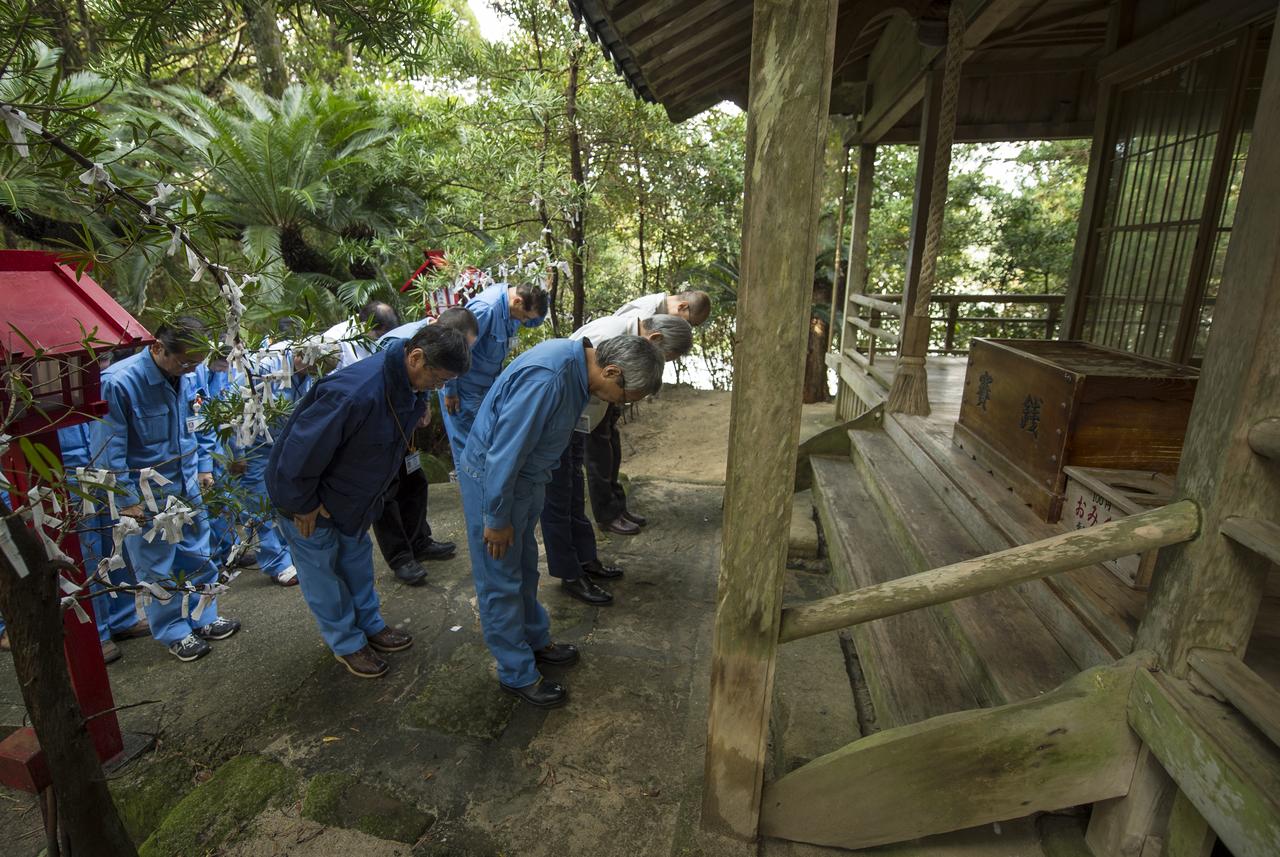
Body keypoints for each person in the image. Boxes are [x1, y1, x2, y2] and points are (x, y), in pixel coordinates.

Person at [458, 334, 665, 708]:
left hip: (527, 479)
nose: (619, 404)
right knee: (499, 578)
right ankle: (515, 671)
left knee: (523, 567)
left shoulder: (578, 370)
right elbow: (504, 453)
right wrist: (497, 516)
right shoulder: (549, 377)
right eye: (624, 396)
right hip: (497, 484)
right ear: (612, 370)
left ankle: (534, 640)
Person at [266, 325, 470, 678]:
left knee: (357, 564)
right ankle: (346, 642)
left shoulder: (406, 386)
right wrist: (301, 503)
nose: (438, 388)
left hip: (355, 500)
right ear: (416, 356)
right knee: (323, 576)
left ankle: (369, 624)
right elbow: (298, 452)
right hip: (310, 504)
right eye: (437, 378)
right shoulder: (354, 392)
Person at [101, 318, 239, 663]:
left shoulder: (189, 374)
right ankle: (174, 630)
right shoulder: (120, 383)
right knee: (156, 565)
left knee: (197, 552)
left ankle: (205, 616)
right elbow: (108, 447)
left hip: (187, 482)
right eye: (184, 362)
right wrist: (126, 500)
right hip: (147, 493)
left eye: (195, 363)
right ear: (157, 348)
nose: (189, 369)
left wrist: (205, 466)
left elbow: (200, 420)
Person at [544, 315, 694, 605]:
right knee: (558, 501)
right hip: (564, 423)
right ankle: (569, 572)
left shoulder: (627, 342)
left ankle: (586, 560)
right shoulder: (605, 339)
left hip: (577, 421)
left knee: (574, 496)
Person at [586, 290, 713, 534]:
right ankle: (607, 514)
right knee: (598, 456)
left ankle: (616, 508)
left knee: (610, 450)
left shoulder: (644, 323)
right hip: (592, 404)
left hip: (603, 401)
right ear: (654, 339)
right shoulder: (621, 328)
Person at [371, 307, 478, 584]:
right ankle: (400, 557)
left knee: (415, 481)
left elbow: (421, 385)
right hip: (382, 425)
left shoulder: (432, 343)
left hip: (405, 422)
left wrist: (422, 405)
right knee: (387, 493)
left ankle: (419, 541)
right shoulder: (401, 344)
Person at [439, 282, 547, 463]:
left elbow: (535, 320)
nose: (525, 322)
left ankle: (482, 489)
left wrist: (542, 298)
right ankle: (470, 490)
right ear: (518, 301)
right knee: (469, 449)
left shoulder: (514, 308)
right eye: (525, 317)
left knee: (485, 446)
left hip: (488, 387)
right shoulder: (486, 310)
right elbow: (452, 350)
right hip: (464, 390)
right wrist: (450, 390)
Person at [323, 300, 400, 371]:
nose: (382, 339)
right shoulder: (334, 340)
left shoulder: (382, 337)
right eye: (381, 335)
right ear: (365, 326)